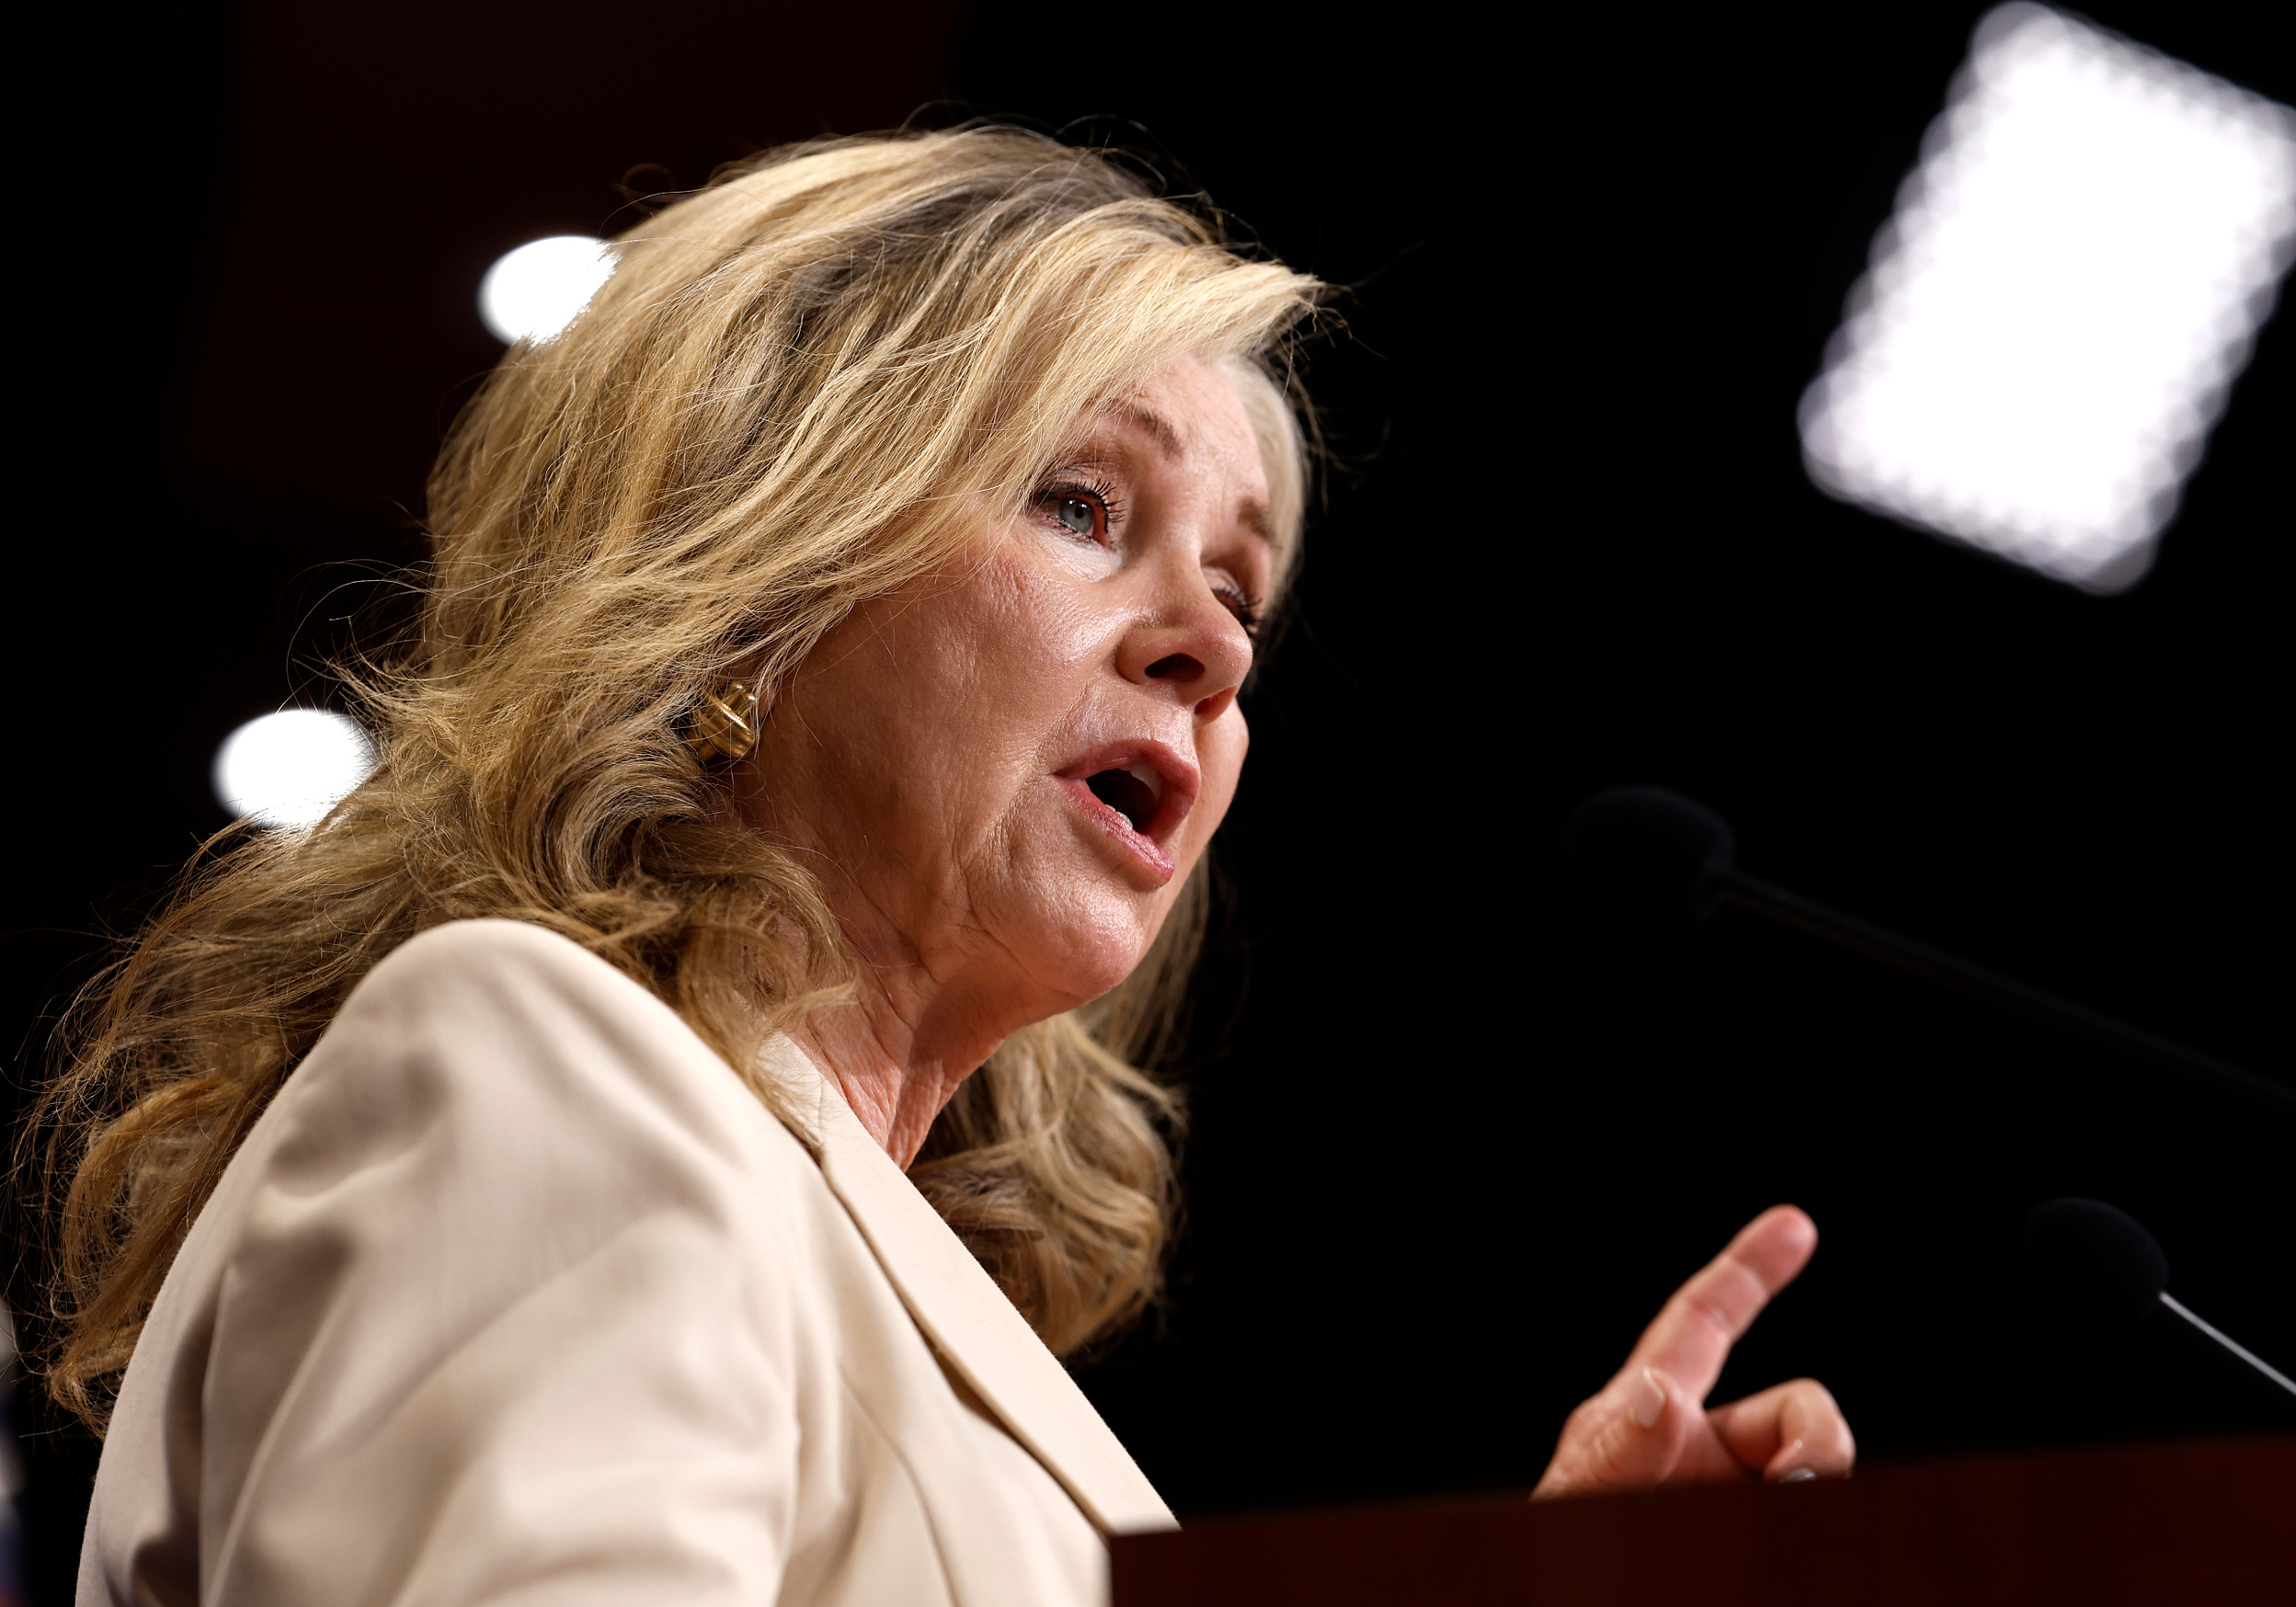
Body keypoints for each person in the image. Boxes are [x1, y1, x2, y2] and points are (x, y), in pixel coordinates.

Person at [36, 128, 1855, 1605]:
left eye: (1239, 592)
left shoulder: (938, 1352)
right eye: (1084, 506)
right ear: (756, 577)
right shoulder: (541, 1061)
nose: (1209, 653)